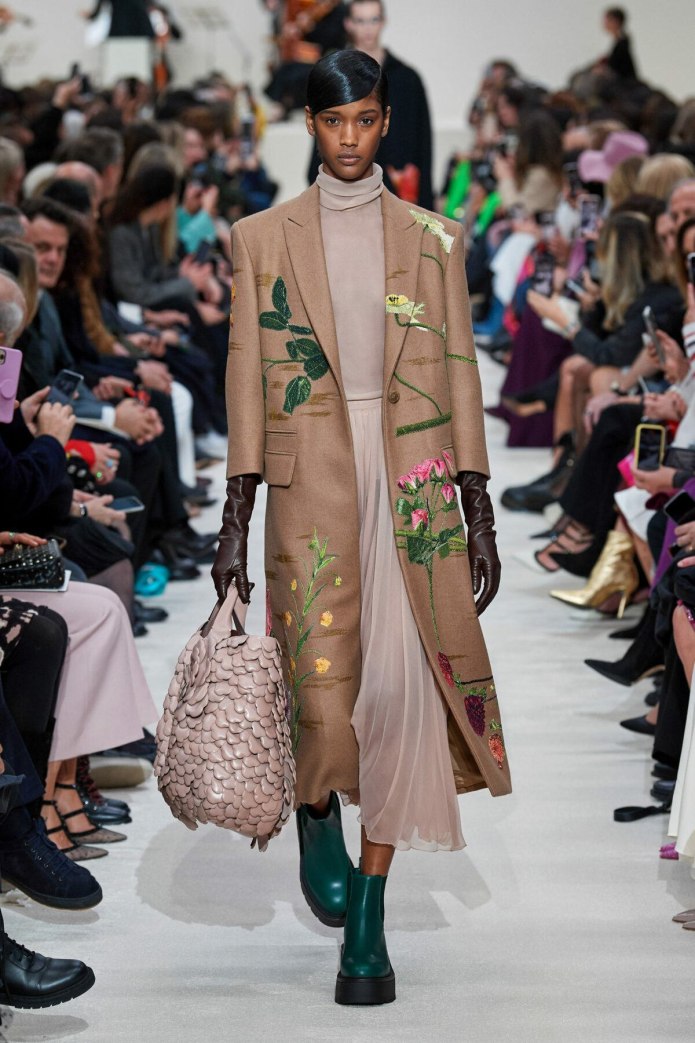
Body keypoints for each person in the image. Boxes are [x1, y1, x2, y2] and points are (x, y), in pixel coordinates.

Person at [212, 49, 509, 1005]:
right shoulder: (260, 237)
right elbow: (247, 379)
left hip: (412, 483)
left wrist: (478, 503)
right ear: (310, 123)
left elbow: (458, 366)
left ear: (385, 121)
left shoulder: (434, 237)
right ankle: (313, 810)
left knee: (402, 692)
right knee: (322, 688)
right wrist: (233, 519)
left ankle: (370, 913)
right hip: (311, 485)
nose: (350, 138)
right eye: (334, 121)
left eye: (366, 120)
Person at [307, 0, 434, 209]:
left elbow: (423, 142)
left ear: (383, 22)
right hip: (345, 191)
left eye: (373, 20)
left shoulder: (407, 78)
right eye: (360, 21)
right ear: (348, 24)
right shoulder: (335, 78)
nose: (367, 29)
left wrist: (425, 201)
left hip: (401, 193)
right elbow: (321, 139)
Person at [599, 7, 638, 82]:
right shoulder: (620, 40)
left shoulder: (622, 42)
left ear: (615, 22)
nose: (605, 24)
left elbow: (617, 64)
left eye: (608, 21)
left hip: (624, 82)